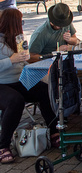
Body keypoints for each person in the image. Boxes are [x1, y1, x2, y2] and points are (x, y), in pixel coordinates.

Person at [0, 9, 59, 164]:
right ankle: (3, 146)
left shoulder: (17, 39)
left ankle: (53, 131)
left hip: (18, 80)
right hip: (2, 83)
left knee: (45, 90)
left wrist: (26, 60)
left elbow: (22, 61)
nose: (22, 25)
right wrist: (11, 60)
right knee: (15, 101)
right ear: (13, 24)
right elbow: (12, 61)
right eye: (20, 22)